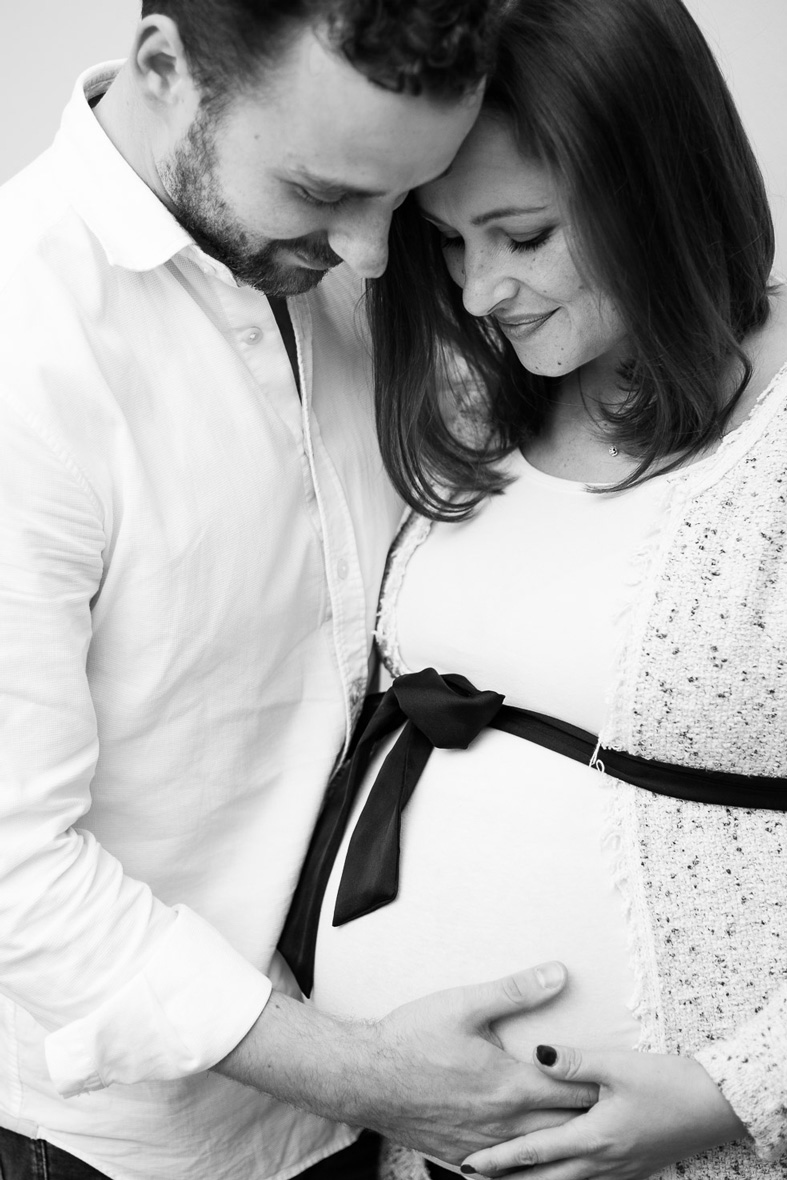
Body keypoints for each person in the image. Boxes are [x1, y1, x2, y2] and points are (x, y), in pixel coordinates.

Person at [0, 2, 603, 1178]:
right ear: (164, 68)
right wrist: (374, 1076)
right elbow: (14, 872)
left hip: (367, 1110)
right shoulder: (26, 350)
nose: (371, 256)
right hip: (135, 1146)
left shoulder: (366, 259)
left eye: (403, 202)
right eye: (324, 194)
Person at [282, 0, 787, 1176]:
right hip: (412, 1150)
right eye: (450, 243)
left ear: (656, 187)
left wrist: (731, 1091)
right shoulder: (472, 408)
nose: (478, 291)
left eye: (520, 234)